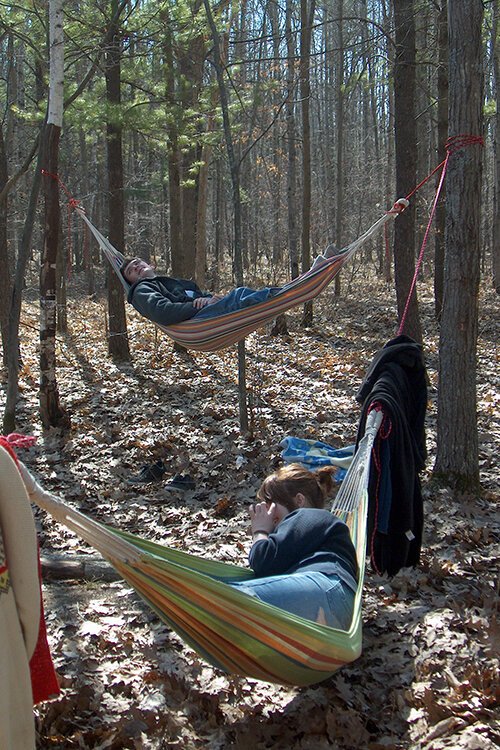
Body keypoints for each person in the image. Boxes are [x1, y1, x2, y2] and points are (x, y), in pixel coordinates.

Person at [227, 463, 359, 630]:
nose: (267, 513)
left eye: (270, 504)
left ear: (299, 500)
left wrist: (260, 530)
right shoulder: (308, 533)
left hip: (325, 588)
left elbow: (263, 561)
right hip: (336, 606)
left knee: (222, 598)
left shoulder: (308, 515)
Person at [120, 248, 336, 327]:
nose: (136, 267)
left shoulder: (170, 282)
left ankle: (303, 283)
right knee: (240, 295)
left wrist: (210, 298)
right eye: (131, 270)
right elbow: (163, 312)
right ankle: (303, 284)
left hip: (206, 312)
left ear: (151, 265)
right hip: (195, 322)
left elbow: (199, 294)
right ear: (131, 282)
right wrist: (198, 306)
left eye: (138, 263)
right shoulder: (141, 290)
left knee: (238, 296)